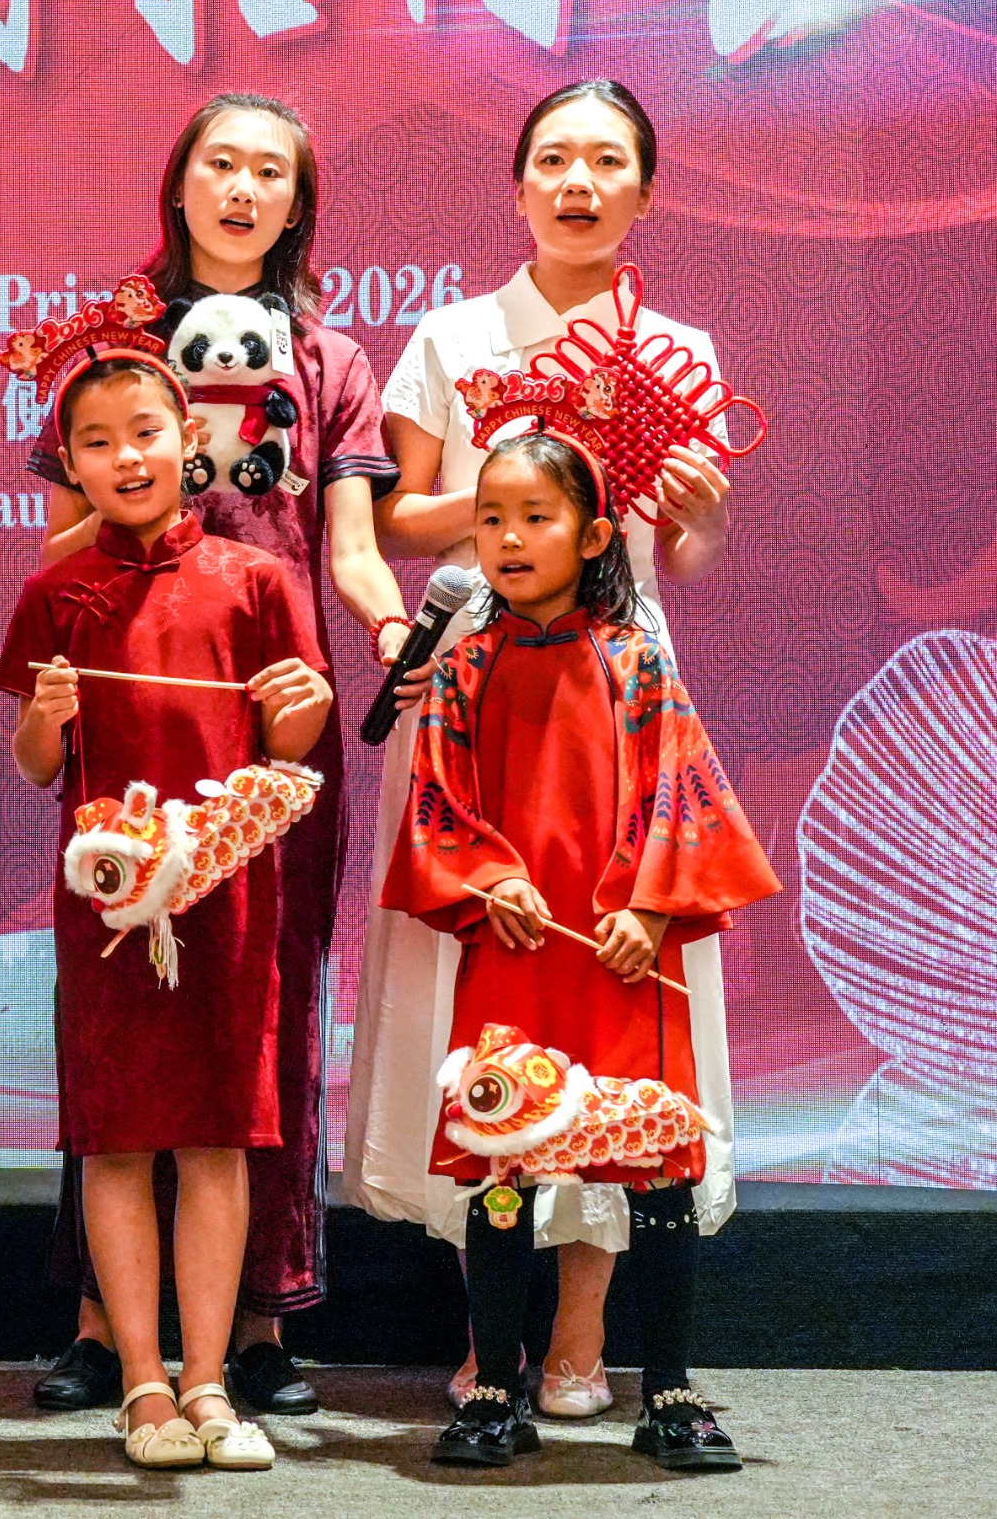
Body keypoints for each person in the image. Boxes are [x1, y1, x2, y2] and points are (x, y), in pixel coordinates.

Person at [346, 79, 740, 1418]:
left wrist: (691, 506)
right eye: (553, 159)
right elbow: (406, 520)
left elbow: (684, 553)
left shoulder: (677, 343)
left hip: (621, 692)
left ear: (645, 190)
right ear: (515, 185)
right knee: (496, 991)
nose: (578, 181)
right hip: (480, 682)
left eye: (607, 161)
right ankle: (497, 1333)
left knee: (621, 994)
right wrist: (540, 484)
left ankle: (585, 1330)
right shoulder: (451, 335)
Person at [29, 94, 403, 1417]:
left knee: (265, 1014)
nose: (241, 189)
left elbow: (351, 545)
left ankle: (251, 1324)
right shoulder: (110, 345)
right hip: (130, 714)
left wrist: (397, 626)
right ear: (176, 181)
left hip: (274, 723)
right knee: (120, 1015)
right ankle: (100, 1326)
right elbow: (65, 546)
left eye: (269, 172)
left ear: (297, 204)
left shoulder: (334, 360)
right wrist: (152, 483)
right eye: (217, 164)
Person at [382, 429, 777, 1472]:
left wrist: (648, 911)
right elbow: (437, 807)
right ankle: (495, 1391)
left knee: (652, 1167)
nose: (508, 539)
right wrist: (489, 876)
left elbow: (684, 795)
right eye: (490, 520)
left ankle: (672, 1391)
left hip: (619, 957)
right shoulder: (464, 663)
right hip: (515, 954)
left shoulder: (636, 658)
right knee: (503, 1164)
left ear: (593, 532)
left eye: (534, 518)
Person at [0, 309, 333, 1473]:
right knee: (117, 1142)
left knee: (218, 1143)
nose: (125, 456)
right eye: (97, 441)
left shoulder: (258, 577)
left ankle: (207, 1382)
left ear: (186, 436)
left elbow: (293, 749)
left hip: (231, 900)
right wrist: (44, 723)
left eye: (145, 431)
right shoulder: (59, 592)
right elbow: (40, 769)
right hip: (103, 910)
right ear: (69, 464)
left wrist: (301, 708)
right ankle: (139, 1382)